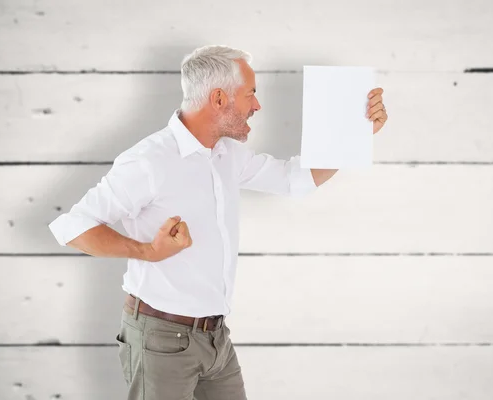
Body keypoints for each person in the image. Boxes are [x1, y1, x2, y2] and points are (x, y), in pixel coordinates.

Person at [48, 45, 387, 400]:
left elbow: (293, 180)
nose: (257, 105)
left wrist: (356, 134)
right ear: (219, 98)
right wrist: (147, 251)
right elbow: (74, 226)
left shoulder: (226, 154)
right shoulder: (149, 161)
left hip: (215, 337)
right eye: (251, 94)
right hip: (160, 340)